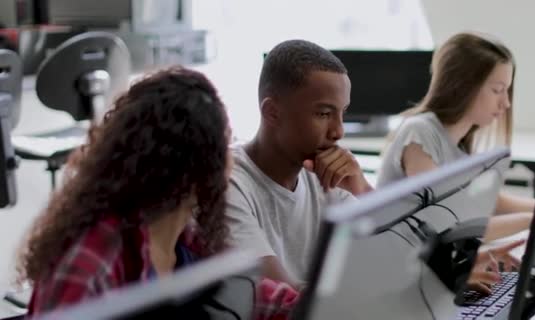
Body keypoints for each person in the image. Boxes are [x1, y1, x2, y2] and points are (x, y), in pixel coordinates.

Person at [16, 66, 296, 318]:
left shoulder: (189, 241)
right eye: (225, 147)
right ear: (203, 165)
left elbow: (260, 297)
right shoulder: (93, 255)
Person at [376, 32, 535, 294]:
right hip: (399, 281)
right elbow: (445, 229)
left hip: (426, 277)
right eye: (497, 90)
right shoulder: (420, 133)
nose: (505, 103)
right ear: (464, 86)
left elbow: (493, 201)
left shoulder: (459, 144)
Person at [226, 39, 373, 290]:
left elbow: (394, 255)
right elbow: (280, 296)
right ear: (272, 112)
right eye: (324, 114)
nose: (339, 132)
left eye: (342, 113)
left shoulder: (324, 173)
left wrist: (360, 187)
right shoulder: (229, 182)